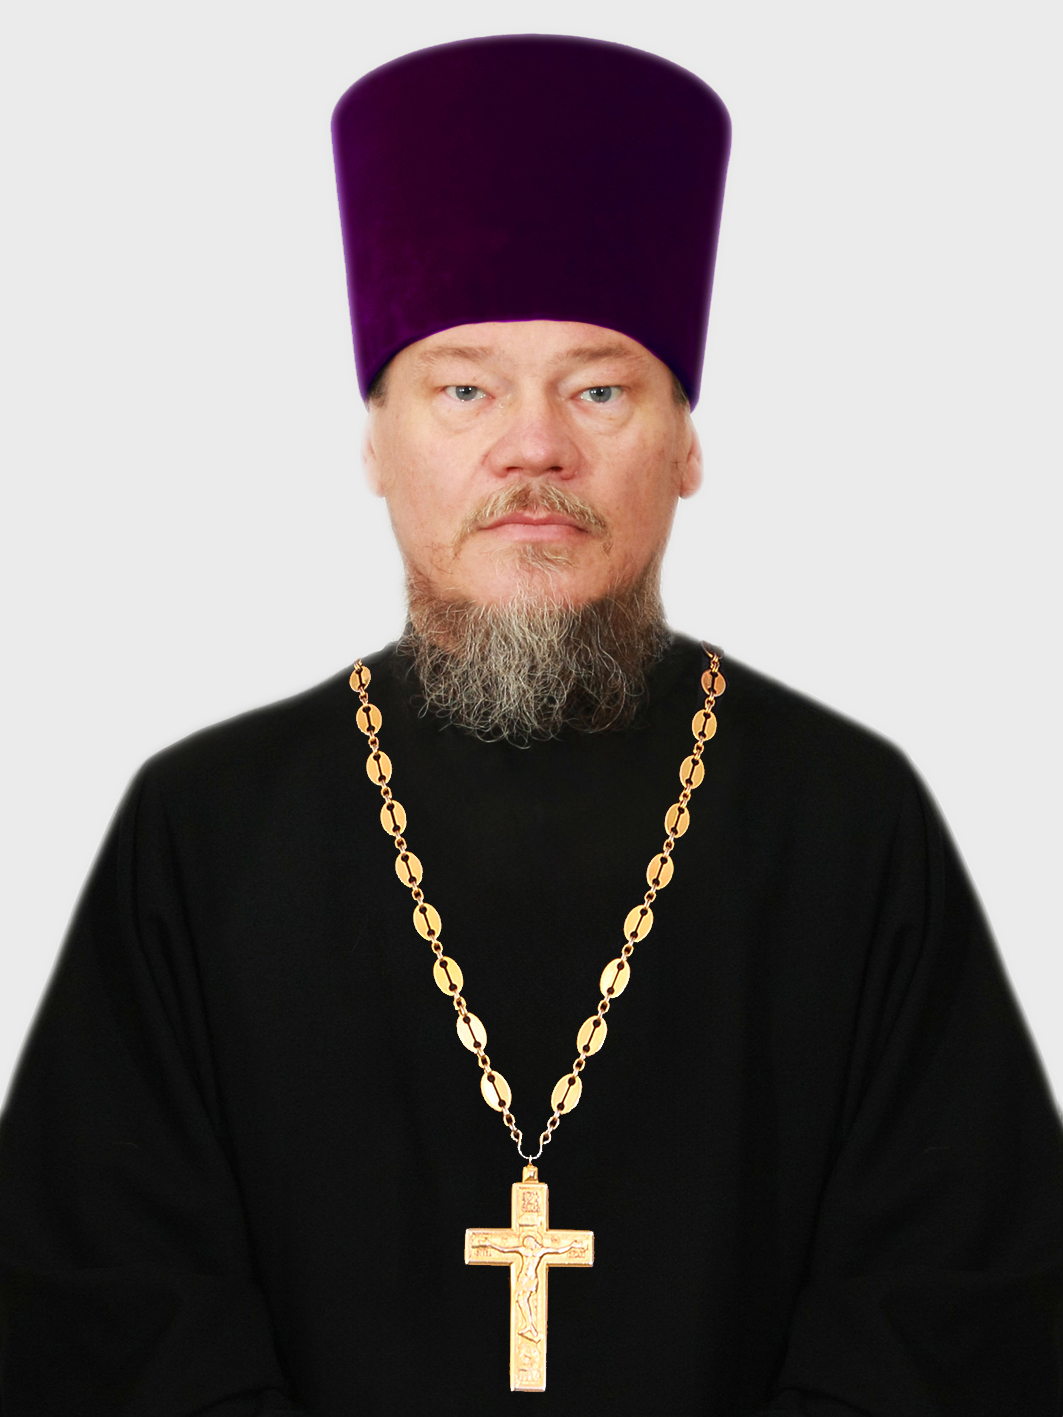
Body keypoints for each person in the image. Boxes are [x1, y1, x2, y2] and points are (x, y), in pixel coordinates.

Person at [0, 33, 1060, 1417]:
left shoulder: (851, 822)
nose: (534, 447)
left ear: (687, 443)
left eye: (599, 388)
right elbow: (104, 1314)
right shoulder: (200, 832)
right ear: (375, 443)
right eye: (465, 388)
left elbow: (956, 1312)